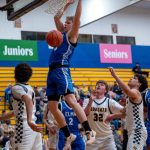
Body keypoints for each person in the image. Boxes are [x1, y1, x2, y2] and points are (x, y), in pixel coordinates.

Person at [46, 0, 93, 149]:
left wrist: (79, 2)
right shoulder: (60, 34)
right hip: (51, 71)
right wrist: (66, 4)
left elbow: (77, 18)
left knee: (71, 100)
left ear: (73, 25)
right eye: (65, 22)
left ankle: (88, 131)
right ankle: (68, 134)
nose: (65, 24)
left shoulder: (71, 35)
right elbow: (56, 18)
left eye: (68, 22)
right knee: (52, 106)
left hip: (62, 69)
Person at [0, 63, 43, 150]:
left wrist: (29, 120)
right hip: (34, 128)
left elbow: (28, 100)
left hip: (23, 128)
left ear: (15, 74)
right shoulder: (30, 88)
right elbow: (17, 111)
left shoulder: (16, 88)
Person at [106, 67, 147, 150]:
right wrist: (112, 116)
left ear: (139, 84)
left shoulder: (136, 92)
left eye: (134, 78)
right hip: (132, 131)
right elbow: (125, 114)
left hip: (137, 131)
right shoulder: (130, 97)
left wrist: (115, 76)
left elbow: (128, 91)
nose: (131, 78)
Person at [83, 80, 124, 150]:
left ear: (105, 90)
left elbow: (125, 113)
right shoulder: (87, 100)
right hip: (92, 136)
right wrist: (90, 102)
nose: (98, 85)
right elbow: (84, 115)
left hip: (107, 137)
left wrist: (113, 116)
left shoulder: (110, 102)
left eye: (102, 85)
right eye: (97, 84)